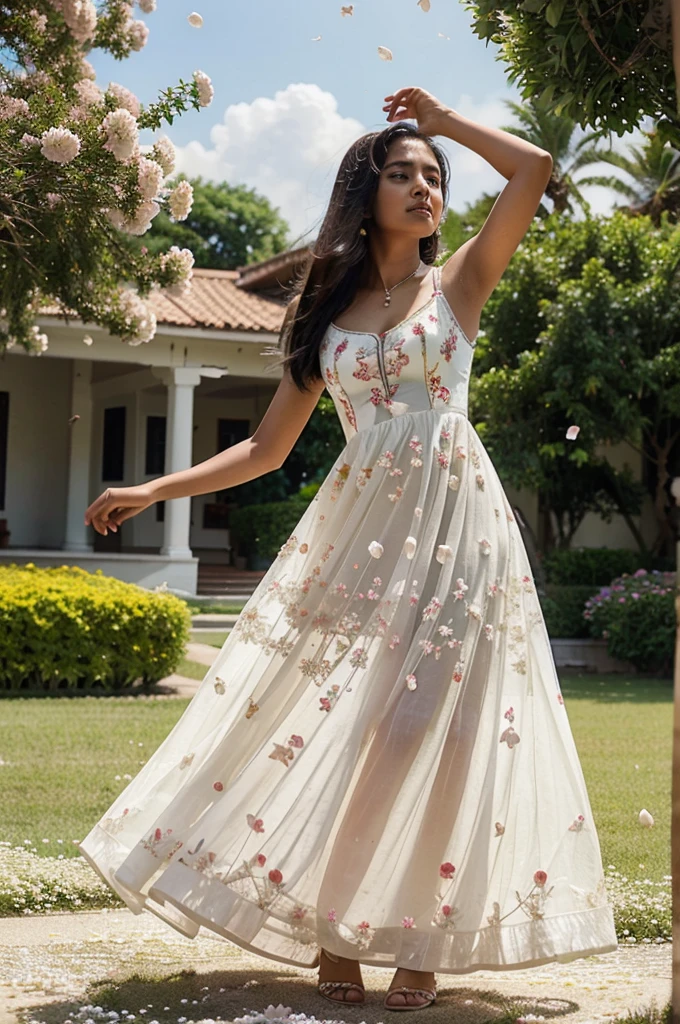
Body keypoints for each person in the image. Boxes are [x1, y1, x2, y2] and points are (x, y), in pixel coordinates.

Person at [80, 87, 618, 1013]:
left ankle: (420, 939)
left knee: (441, 736)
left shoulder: (460, 285)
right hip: (361, 536)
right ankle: (337, 927)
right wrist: (152, 487)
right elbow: (265, 449)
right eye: (403, 171)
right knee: (357, 726)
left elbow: (533, 171)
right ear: (365, 190)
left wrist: (442, 123)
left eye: (434, 177)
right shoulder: (323, 318)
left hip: (460, 533)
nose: (423, 186)